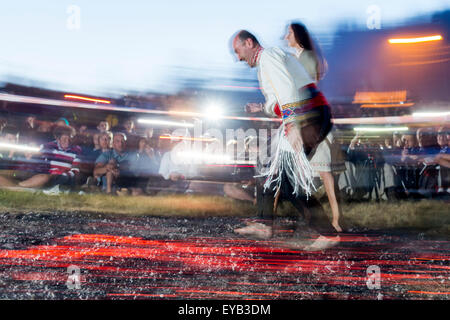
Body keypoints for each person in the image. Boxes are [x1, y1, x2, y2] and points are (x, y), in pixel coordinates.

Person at [231, 30, 339, 250]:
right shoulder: (268, 61)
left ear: (249, 43)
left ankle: (328, 233)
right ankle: (264, 222)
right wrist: (264, 108)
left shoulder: (268, 57)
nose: (238, 58)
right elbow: (282, 93)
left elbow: (287, 89)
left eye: (238, 51)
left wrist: (291, 124)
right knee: (267, 165)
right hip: (307, 115)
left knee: (289, 182)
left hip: (308, 117)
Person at [284, 22, 345, 231]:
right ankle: (331, 219)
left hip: (312, 118)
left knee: (322, 173)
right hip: (311, 117)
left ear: (297, 35)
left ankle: (333, 220)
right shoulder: (302, 58)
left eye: (289, 33)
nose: (285, 37)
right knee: (321, 173)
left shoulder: (306, 58)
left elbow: (306, 89)